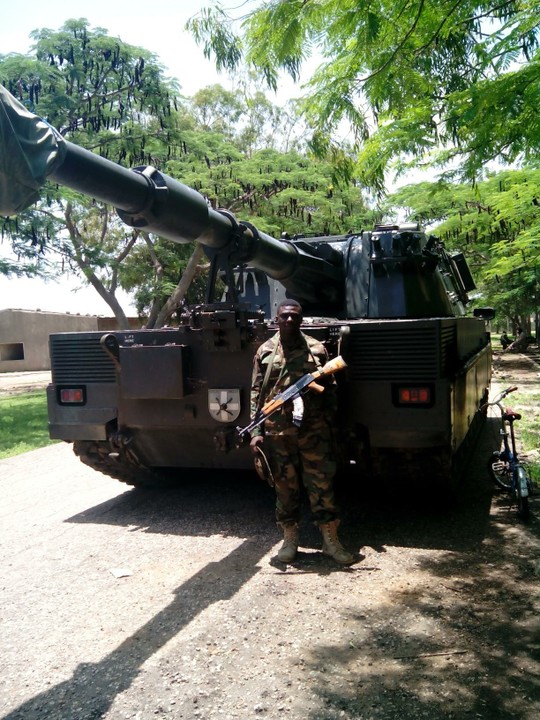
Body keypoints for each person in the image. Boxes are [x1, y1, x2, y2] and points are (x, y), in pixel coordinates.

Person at [249, 299, 355, 565]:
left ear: (301, 319)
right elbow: (256, 392)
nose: (289, 320)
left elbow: (330, 388)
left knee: (321, 484)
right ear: (276, 319)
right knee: (285, 487)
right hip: (278, 434)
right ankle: (290, 540)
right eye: (284, 316)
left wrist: (329, 421)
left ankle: (331, 542)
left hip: (314, 430)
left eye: (294, 316)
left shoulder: (316, 348)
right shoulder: (266, 351)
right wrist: (256, 430)